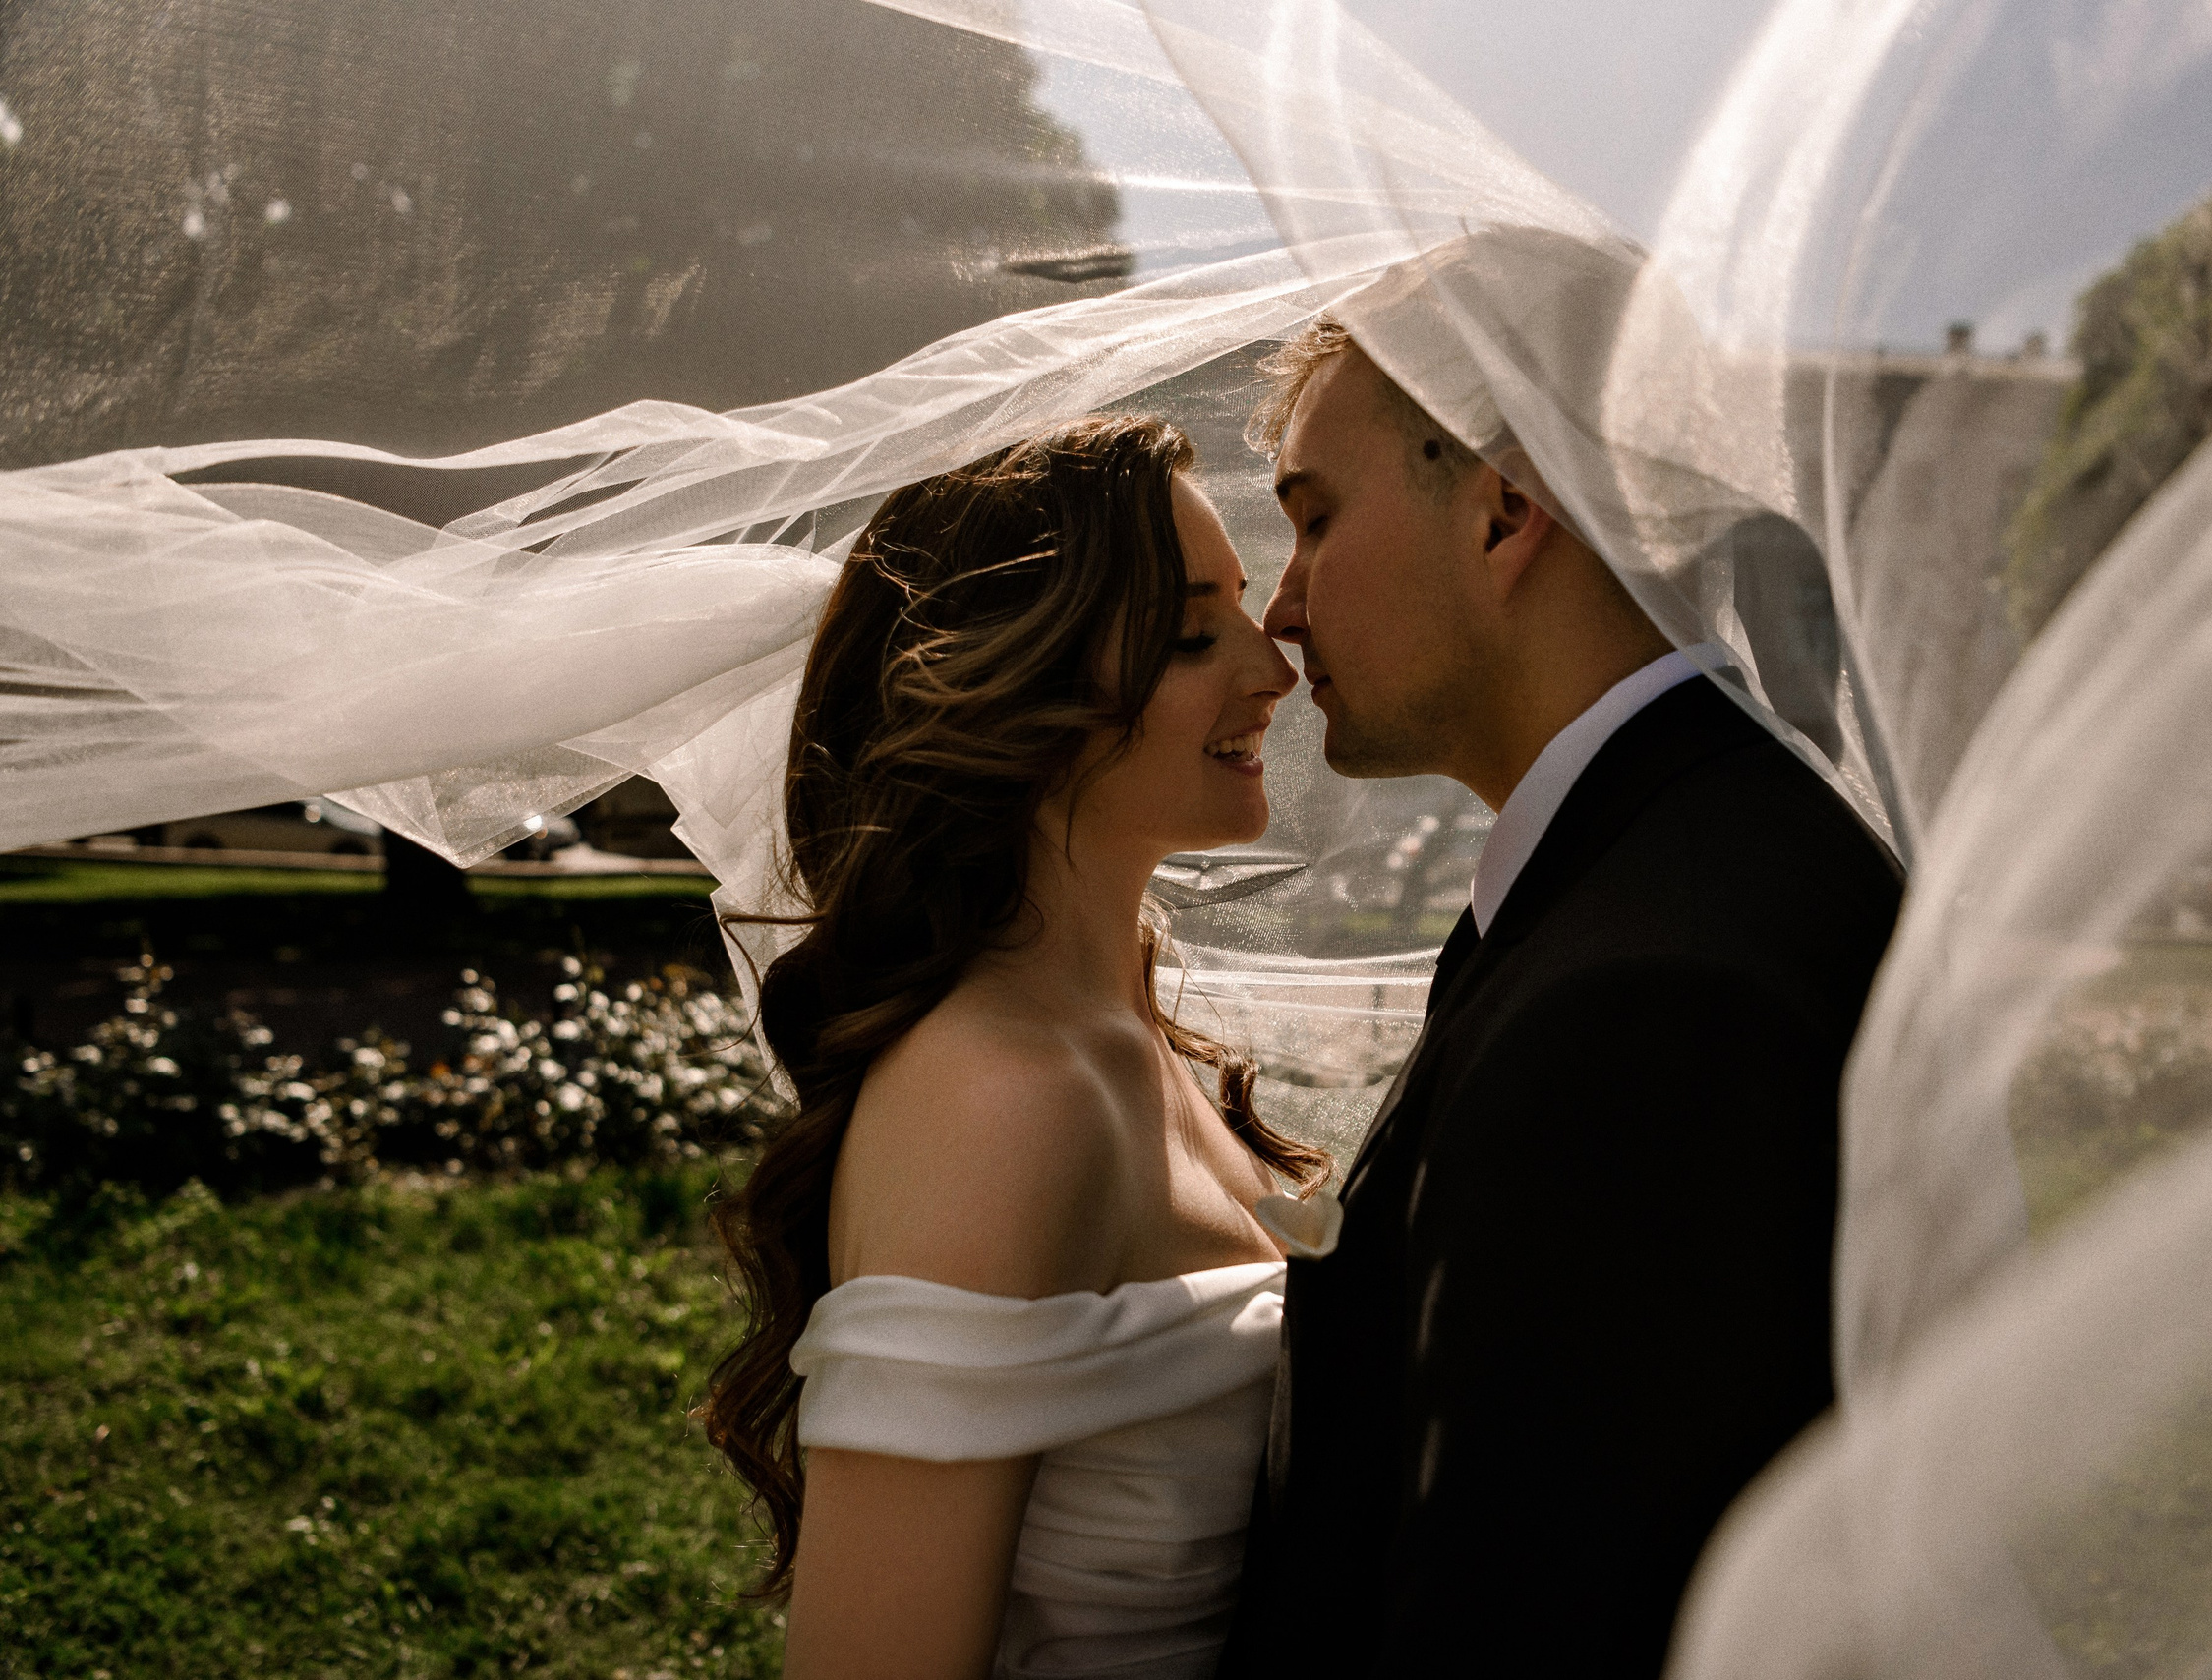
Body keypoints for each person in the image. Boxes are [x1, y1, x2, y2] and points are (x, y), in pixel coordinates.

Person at [1219, 321, 1905, 1678]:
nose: (1281, 608)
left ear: (1505, 511)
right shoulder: (1696, 847)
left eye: (1314, 518)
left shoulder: (1645, 1006)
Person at [701, 414, 1332, 1680]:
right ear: (1023, 692)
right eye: (1190, 632)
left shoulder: (1116, 1040)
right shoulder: (1003, 1097)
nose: (1275, 671)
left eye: (1247, 610)